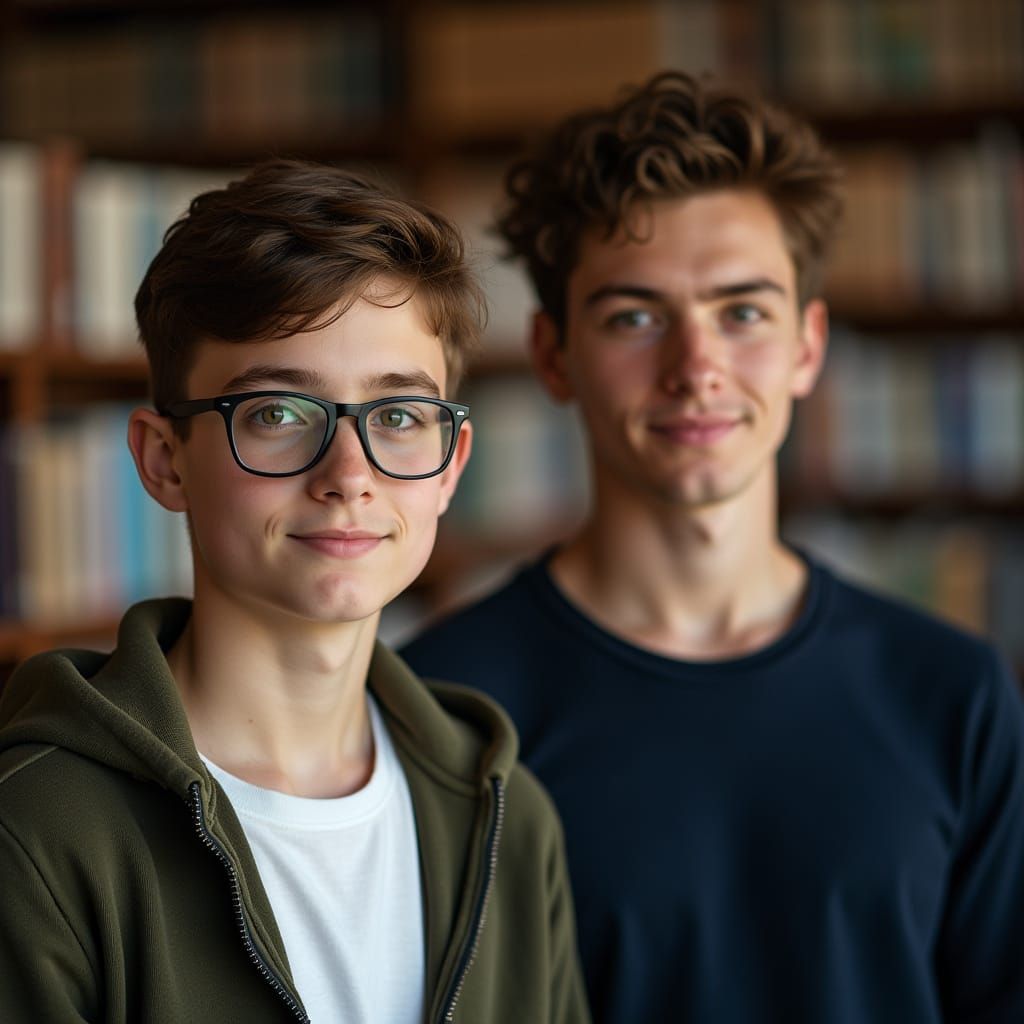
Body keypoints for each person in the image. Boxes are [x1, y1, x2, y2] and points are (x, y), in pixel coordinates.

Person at [401, 72, 1024, 1023]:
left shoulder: (951, 694)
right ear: (553, 354)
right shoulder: (444, 710)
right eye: (634, 317)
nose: (697, 370)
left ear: (809, 345)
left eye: (743, 312)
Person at [0, 160, 589, 1024]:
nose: (349, 477)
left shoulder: (507, 816)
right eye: (278, 413)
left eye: (397, 417)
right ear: (164, 461)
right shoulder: (39, 830)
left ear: (450, 467)